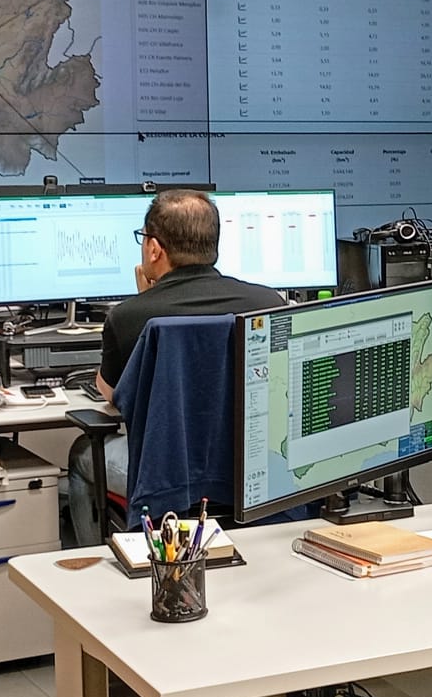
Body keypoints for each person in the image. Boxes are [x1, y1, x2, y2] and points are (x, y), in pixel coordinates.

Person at [63, 189, 285, 546]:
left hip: (168, 483)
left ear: (154, 249)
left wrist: (143, 297)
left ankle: (103, 562)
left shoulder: (130, 315)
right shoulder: (268, 303)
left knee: (80, 453)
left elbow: (112, 394)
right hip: (252, 472)